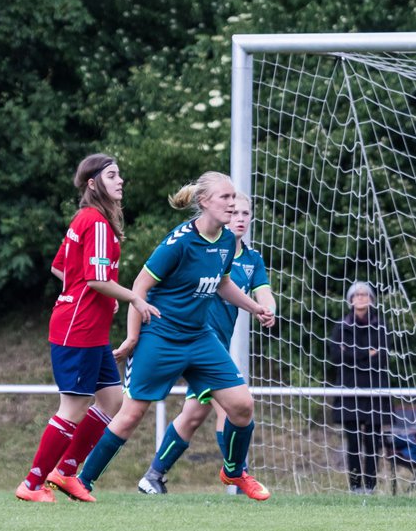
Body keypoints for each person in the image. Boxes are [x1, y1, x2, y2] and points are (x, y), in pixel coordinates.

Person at [75, 171, 275, 500]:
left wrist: (254, 307)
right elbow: (139, 287)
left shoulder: (226, 240)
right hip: (161, 336)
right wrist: (132, 337)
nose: (233, 203)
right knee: (130, 415)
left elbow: (223, 283)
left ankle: (234, 473)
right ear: (204, 202)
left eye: (234, 197)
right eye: (225, 197)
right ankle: (82, 481)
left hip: (199, 337)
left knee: (242, 405)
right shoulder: (180, 241)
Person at [16, 154, 160, 503]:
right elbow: (96, 279)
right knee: (74, 407)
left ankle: (65, 473)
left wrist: (93, 293)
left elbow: (62, 270)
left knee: (111, 400)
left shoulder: (89, 220)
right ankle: (32, 484)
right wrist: (133, 299)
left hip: (90, 330)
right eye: (112, 175)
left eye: (120, 174)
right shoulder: (95, 221)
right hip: (77, 329)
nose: (120, 180)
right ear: (94, 183)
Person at [136, 192, 276, 495]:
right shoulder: (207, 249)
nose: (239, 218)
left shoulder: (252, 259)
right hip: (196, 344)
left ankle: (154, 475)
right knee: (230, 408)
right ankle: (239, 478)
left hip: (215, 348)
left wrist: (266, 309)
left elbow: (263, 291)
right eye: (234, 211)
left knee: (193, 415)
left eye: (245, 213)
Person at [328, 280, 391, 494]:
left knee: (373, 443)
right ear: (350, 300)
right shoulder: (341, 326)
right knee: (353, 442)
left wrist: (352, 354)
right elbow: (337, 356)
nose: (361, 298)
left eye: (365, 295)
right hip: (349, 391)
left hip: (374, 391)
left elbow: (381, 357)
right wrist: (366, 354)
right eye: (357, 295)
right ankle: (355, 487)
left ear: (371, 299)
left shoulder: (381, 325)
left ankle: (371, 487)